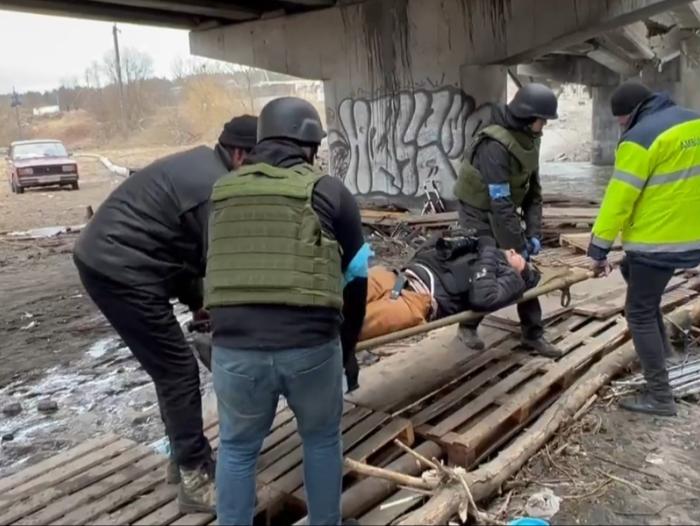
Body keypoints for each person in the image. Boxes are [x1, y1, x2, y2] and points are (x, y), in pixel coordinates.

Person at [73, 115, 258, 513]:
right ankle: (194, 478)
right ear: (241, 155)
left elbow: (182, 250)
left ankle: (180, 456)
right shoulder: (217, 189)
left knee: (167, 367)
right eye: (260, 164)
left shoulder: (203, 164)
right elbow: (222, 265)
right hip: (120, 269)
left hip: (116, 258)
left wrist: (198, 305)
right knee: (177, 369)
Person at [206, 97, 370, 526]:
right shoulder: (330, 192)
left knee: (238, 449)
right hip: (310, 348)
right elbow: (357, 281)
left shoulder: (222, 192)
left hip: (234, 351)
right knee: (320, 440)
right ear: (311, 145)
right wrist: (346, 348)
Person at [587, 81, 700, 417]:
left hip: (657, 244)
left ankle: (660, 397)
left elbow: (618, 200)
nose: (622, 126)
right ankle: (664, 356)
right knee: (634, 280)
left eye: (622, 120)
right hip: (691, 238)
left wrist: (598, 249)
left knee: (637, 312)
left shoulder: (639, 139)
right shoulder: (694, 121)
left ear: (633, 113)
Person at [453, 83, 559, 358]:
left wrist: (533, 233)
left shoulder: (529, 140)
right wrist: (518, 245)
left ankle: (533, 333)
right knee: (488, 261)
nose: (544, 126)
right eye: (542, 120)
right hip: (477, 210)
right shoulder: (494, 146)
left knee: (524, 267)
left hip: (501, 206)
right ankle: (467, 324)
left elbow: (533, 193)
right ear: (527, 117)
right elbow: (500, 202)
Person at [360, 232, 540, 343]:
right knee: (336, 297)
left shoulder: (511, 278)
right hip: (396, 276)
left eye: (522, 260)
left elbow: (483, 299)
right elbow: (429, 251)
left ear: (521, 272)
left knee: (343, 325)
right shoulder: (481, 250)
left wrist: (488, 252)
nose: (515, 252)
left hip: (416, 301)